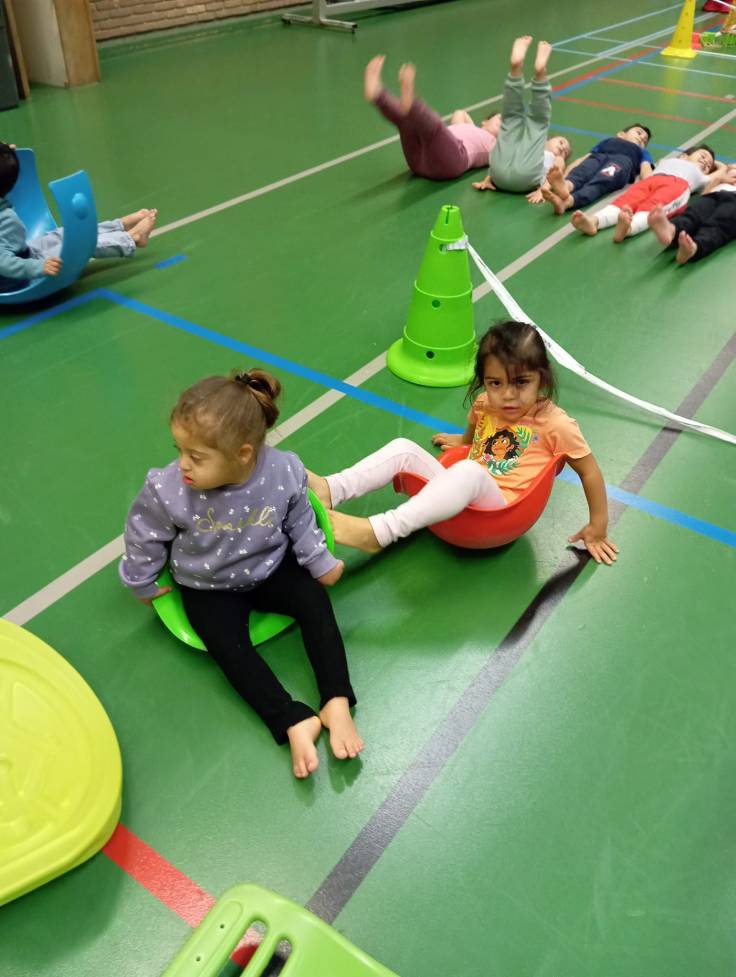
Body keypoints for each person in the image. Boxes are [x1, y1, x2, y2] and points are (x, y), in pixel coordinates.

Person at [119, 369, 363, 779]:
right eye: (179, 450)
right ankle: (291, 718)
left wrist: (318, 560)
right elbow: (143, 534)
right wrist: (141, 581)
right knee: (228, 648)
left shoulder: (283, 471)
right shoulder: (169, 489)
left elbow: (301, 518)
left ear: (244, 453)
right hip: (207, 586)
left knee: (315, 604)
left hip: (271, 567)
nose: (183, 464)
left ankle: (335, 700)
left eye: (197, 457)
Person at [309, 321, 618, 566]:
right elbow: (476, 427)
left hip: (502, 513)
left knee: (470, 470)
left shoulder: (556, 423)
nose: (508, 395)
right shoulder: (486, 403)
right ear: (484, 380)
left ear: (542, 379)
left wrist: (598, 526)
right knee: (404, 448)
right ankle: (331, 488)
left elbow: (589, 471)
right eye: (495, 383)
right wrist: (464, 442)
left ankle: (379, 532)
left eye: (521, 382)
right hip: (461, 494)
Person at [0, 142, 157, 292]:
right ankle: (132, 238)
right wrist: (38, 267)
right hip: (16, 278)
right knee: (77, 246)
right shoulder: (6, 219)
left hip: (25, 254)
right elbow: (3, 262)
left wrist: (5, 152)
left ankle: (119, 225)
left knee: (61, 235)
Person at [364, 55, 501, 180]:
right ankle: (377, 95)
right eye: (501, 119)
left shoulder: (494, 145)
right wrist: (474, 127)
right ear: (485, 121)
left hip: (452, 161)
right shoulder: (467, 127)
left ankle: (411, 104)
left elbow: (507, 161)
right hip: (419, 161)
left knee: (435, 126)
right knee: (406, 122)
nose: (504, 125)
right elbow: (460, 113)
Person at [472, 36, 571, 201]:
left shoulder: (554, 158)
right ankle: (531, 71)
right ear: (549, 140)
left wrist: (544, 189)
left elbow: (558, 171)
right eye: (561, 142)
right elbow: (502, 151)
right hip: (499, 173)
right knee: (513, 122)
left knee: (518, 121)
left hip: (521, 175)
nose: (562, 148)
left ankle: (520, 72)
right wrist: (489, 178)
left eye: (565, 151)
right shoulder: (533, 146)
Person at [571, 145, 722, 241]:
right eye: (703, 156)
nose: (706, 162)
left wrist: (716, 165)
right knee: (624, 201)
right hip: (652, 181)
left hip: (678, 186)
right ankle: (594, 221)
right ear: (684, 155)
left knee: (652, 208)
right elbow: (648, 171)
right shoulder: (667, 161)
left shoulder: (701, 176)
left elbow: (721, 172)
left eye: (709, 164)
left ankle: (628, 229)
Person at [541, 124, 654, 215]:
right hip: (598, 157)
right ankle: (566, 186)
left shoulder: (641, 151)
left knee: (600, 182)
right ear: (621, 134)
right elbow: (583, 159)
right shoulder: (608, 141)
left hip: (621, 162)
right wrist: (563, 177)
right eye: (639, 133)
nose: (641, 138)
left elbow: (646, 168)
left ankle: (568, 202)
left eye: (644, 141)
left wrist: (650, 187)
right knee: (582, 171)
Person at [647, 163, 736, 263]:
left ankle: (694, 248)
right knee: (694, 213)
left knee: (719, 223)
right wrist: (719, 180)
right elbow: (704, 194)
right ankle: (672, 230)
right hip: (713, 195)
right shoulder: (722, 180)